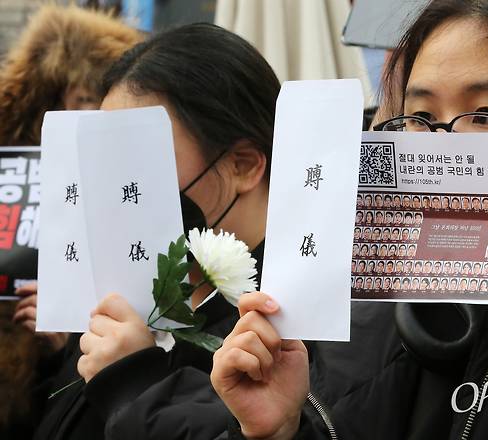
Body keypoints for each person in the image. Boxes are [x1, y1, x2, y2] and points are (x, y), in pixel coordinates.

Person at [213, 1, 488, 440]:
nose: (443, 148)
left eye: (485, 116)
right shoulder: (382, 310)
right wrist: (278, 430)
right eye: (422, 118)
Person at [33, 23, 280, 440]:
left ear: (243, 165)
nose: (118, 186)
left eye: (138, 157)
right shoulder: (124, 286)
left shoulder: (281, 336)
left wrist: (134, 382)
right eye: (105, 156)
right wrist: (53, 357)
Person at [0, 5, 142, 439]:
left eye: (94, 101)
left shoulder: (132, 186)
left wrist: (64, 343)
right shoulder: (14, 159)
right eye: (76, 99)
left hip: (75, 374)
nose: (83, 113)